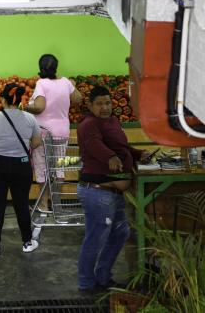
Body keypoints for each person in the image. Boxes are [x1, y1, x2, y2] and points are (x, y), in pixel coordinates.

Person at [76, 85, 150, 294]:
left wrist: (136, 154)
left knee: (120, 233)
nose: (105, 107)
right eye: (99, 103)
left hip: (114, 194)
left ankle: (103, 276)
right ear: (90, 105)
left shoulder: (113, 122)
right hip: (97, 191)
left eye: (107, 102)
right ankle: (86, 283)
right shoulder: (88, 124)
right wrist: (110, 157)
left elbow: (121, 147)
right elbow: (94, 145)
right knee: (96, 237)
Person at [0, 83, 43, 255]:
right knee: (21, 204)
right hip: (22, 167)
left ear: (3, 100)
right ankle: (27, 243)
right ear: (20, 100)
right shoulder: (30, 119)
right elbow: (36, 142)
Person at [24, 54, 83, 212]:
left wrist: (25, 106)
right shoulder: (65, 82)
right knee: (59, 166)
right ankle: (56, 204)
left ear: (40, 67)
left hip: (44, 133)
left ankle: (43, 204)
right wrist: (72, 84)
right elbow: (78, 99)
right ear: (56, 67)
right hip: (62, 131)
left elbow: (40, 107)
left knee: (43, 166)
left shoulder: (41, 83)